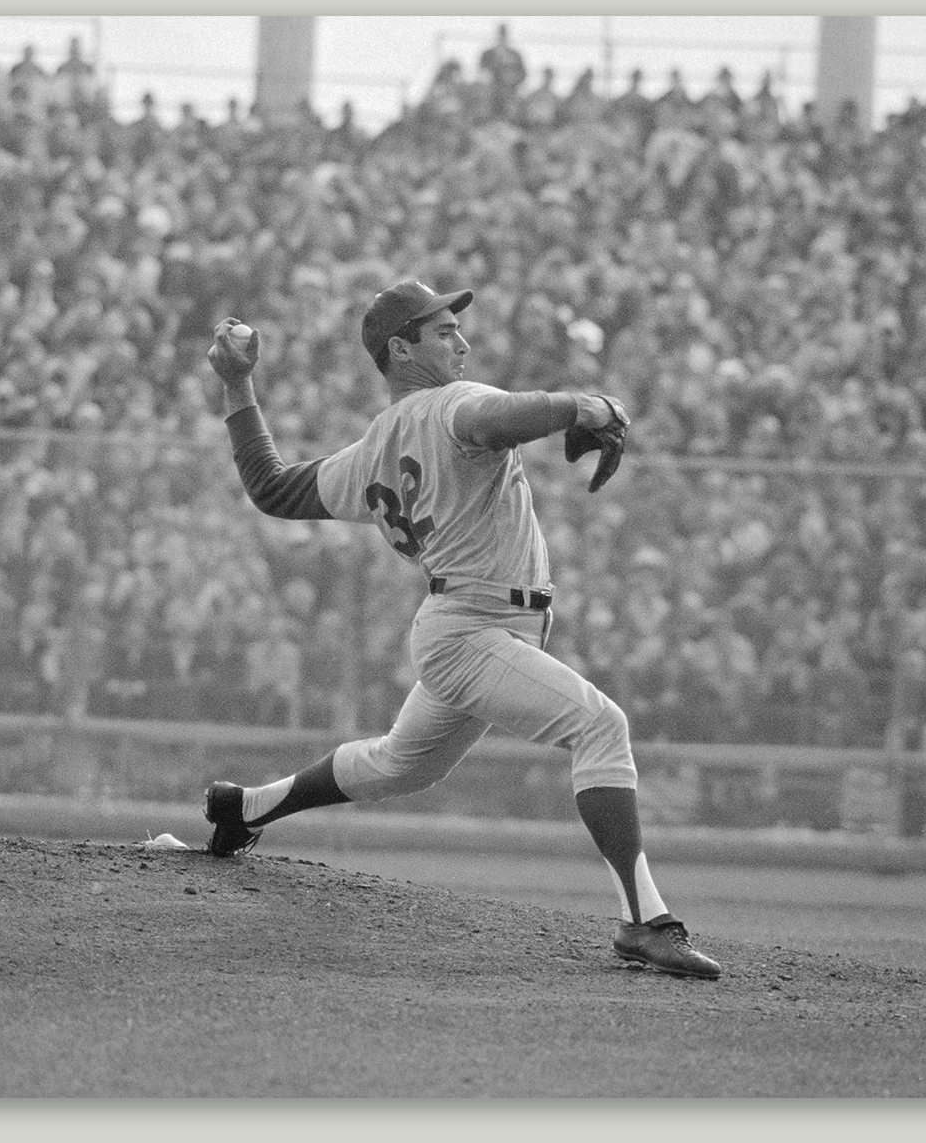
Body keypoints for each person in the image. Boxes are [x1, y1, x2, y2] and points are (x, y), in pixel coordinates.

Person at [196, 280, 724, 980]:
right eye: (443, 331)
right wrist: (584, 405)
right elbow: (499, 419)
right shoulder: (451, 405)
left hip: (470, 628)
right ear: (400, 349)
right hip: (474, 628)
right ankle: (645, 923)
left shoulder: (372, 449)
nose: (462, 342)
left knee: (398, 765)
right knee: (601, 728)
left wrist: (239, 386)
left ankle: (244, 809)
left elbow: (270, 486)